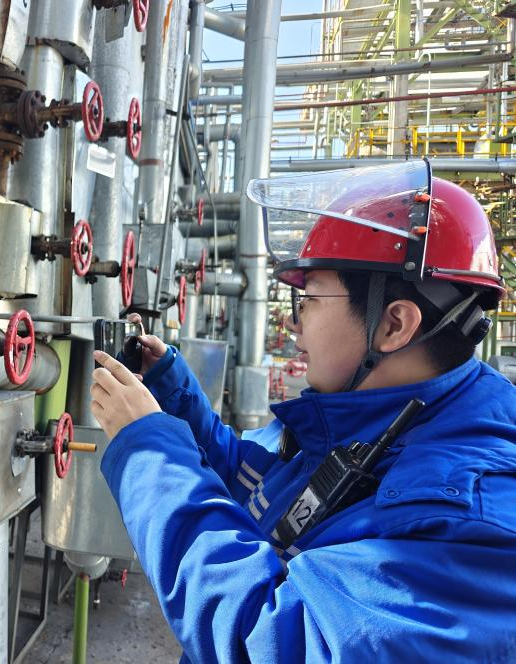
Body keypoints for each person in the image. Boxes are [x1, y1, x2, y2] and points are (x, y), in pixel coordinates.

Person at [90, 162, 516, 663]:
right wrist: (170, 392)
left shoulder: (467, 530)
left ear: (394, 325)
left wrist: (149, 451)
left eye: (308, 299)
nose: (293, 324)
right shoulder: (378, 423)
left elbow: (268, 640)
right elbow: (257, 491)